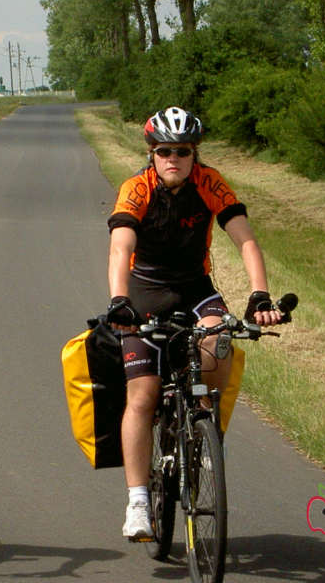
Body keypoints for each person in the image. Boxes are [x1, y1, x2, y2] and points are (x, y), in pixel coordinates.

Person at [105, 106, 283, 541]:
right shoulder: (137, 187)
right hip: (144, 290)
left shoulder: (209, 182)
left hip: (194, 286)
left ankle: (203, 423)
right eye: (164, 150)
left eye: (182, 151)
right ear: (151, 153)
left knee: (220, 338)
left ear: (194, 153)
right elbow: (120, 244)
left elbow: (245, 238)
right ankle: (138, 502)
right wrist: (119, 300)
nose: (173, 158)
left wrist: (259, 293)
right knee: (143, 396)